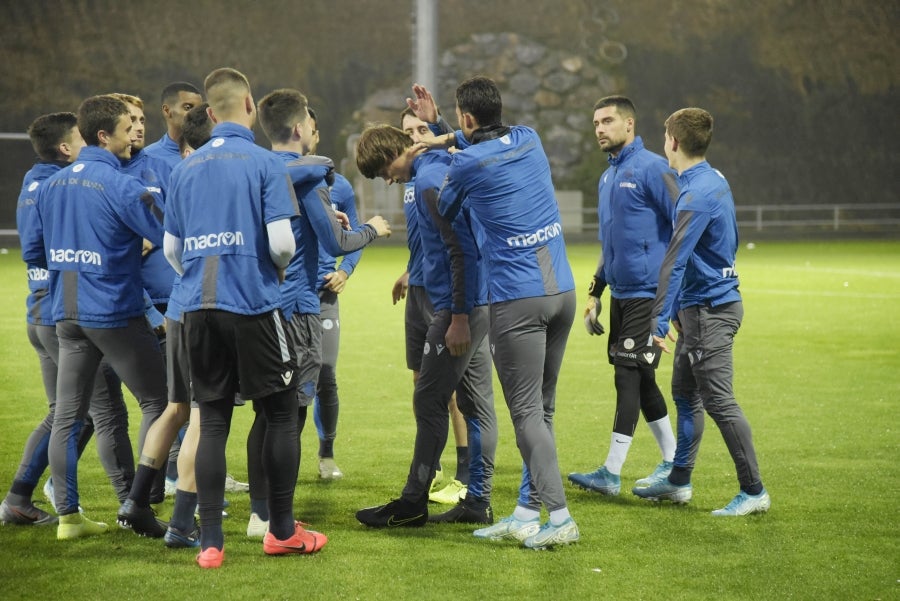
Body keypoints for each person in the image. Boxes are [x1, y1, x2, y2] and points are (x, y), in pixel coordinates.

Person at [163, 68, 326, 568]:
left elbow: (173, 249)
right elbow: (281, 243)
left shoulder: (183, 169)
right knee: (279, 413)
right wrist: (270, 273)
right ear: (250, 105)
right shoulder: (263, 163)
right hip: (253, 304)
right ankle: (280, 529)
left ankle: (211, 541)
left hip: (197, 308)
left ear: (209, 114)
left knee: (211, 420)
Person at [412, 77, 579, 549]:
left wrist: (438, 142)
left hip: (517, 299)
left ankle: (561, 517)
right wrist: (442, 128)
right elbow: (479, 138)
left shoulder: (464, 165)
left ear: (466, 117)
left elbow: (446, 203)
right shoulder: (529, 138)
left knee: (526, 414)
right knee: (541, 412)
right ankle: (527, 513)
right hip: (560, 289)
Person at [21, 95, 169, 540]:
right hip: (113, 312)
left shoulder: (50, 185)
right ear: (103, 135)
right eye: (128, 130)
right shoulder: (120, 185)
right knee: (160, 402)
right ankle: (141, 501)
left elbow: (36, 251)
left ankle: (68, 517)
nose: (133, 139)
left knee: (68, 414)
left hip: (63, 312)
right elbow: (165, 234)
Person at [252, 88, 390, 536]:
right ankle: (281, 521)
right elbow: (336, 245)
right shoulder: (312, 178)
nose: (316, 131)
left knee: (263, 413)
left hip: (258, 305)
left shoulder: (254, 169)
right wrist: (373, 229)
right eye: (312, 125)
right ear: (298, 129)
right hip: (298, 306)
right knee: (290, 414)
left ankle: (260, 513)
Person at [354, 123, 497, 527]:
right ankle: (477, 501)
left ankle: (413, 503)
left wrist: (458, 317)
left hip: (458, 307)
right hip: (459, 300)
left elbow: (462, 249)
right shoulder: (429, 171)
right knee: (474, 404)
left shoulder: (432, 180)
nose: (387, 179)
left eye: (384, 170)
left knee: (430, 400)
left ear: (395, 153)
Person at [632, 107, 771, 516]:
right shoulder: (711, 179)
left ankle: (754, 491)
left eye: (664, 137)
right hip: (699, 307)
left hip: (711, 310)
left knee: (719, 401)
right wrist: (679, 307)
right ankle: (678, 479)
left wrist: (658, 319)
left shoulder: (695, 195)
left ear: (673, 142)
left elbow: (675, 261)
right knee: (685, 393)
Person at [1, 112, 135, 526]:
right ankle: (132, 503)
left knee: (64, 413)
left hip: (40, 313)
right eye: (81, 138)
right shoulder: (65, 186)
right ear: (65, 147)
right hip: (65, 312)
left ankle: (19, 499)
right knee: (104, 411)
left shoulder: (33, 183)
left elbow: (36, 253)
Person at [567, 96, 679, 496]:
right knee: (643, 378)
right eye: (596, 122)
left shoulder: (652, 168)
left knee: (626, 375)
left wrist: (674, 301)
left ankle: (611, 473)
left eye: (608, 121)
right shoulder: (607, 176)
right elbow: (611, 244)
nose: (600, 128)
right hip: (623, 295)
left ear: (629, 124)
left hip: (649, 295)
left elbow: (682, 229)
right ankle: (674, 466)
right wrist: (596, 291)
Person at [394, 107, 471, 504]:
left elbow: (453, 238)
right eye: (408, 131)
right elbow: (424, 236)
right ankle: (433, 463)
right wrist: (409, 270)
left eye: (421, 129)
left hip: (445, 294)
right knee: (420, 382)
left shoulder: (438, 168)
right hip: (419, 287)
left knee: (448, 388)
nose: (415, 136)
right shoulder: (409, 177)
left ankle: (463, 472)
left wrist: (440, 125)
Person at [309, 107, 366, 481]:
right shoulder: (273, 178)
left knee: (326, 375)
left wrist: (345, 270)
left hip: (324, 294)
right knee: (287, 381)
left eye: (312, 130)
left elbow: (356, 233)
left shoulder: (338, 186)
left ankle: (326, 453)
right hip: (285, 296)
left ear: (314, 134)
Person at [143, 81, 203, 169]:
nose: (196, 114)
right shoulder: (147, 158)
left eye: (199, 109)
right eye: (188, 108)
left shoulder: (211, 153)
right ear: (167, 111)